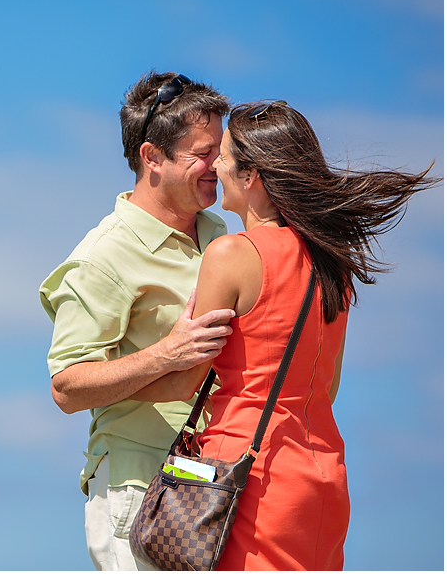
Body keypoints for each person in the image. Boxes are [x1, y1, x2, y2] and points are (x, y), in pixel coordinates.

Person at [139, 99, 437, 570]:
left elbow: (183, 382)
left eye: (226, 155)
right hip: (322, 477)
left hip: (245, 477)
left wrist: (108, 386)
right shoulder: (332, 264)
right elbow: (329, 388)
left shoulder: (230, 254)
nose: (216, 163)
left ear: (251, 175)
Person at [38, 71, 237, 571]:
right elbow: (67, 387)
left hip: (213, 481)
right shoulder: (103, 257)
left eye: (222, 149)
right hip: (139, 487)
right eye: (203, 153)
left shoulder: (219, 232)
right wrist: (166, 354)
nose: (222, 165)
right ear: (151, 157)